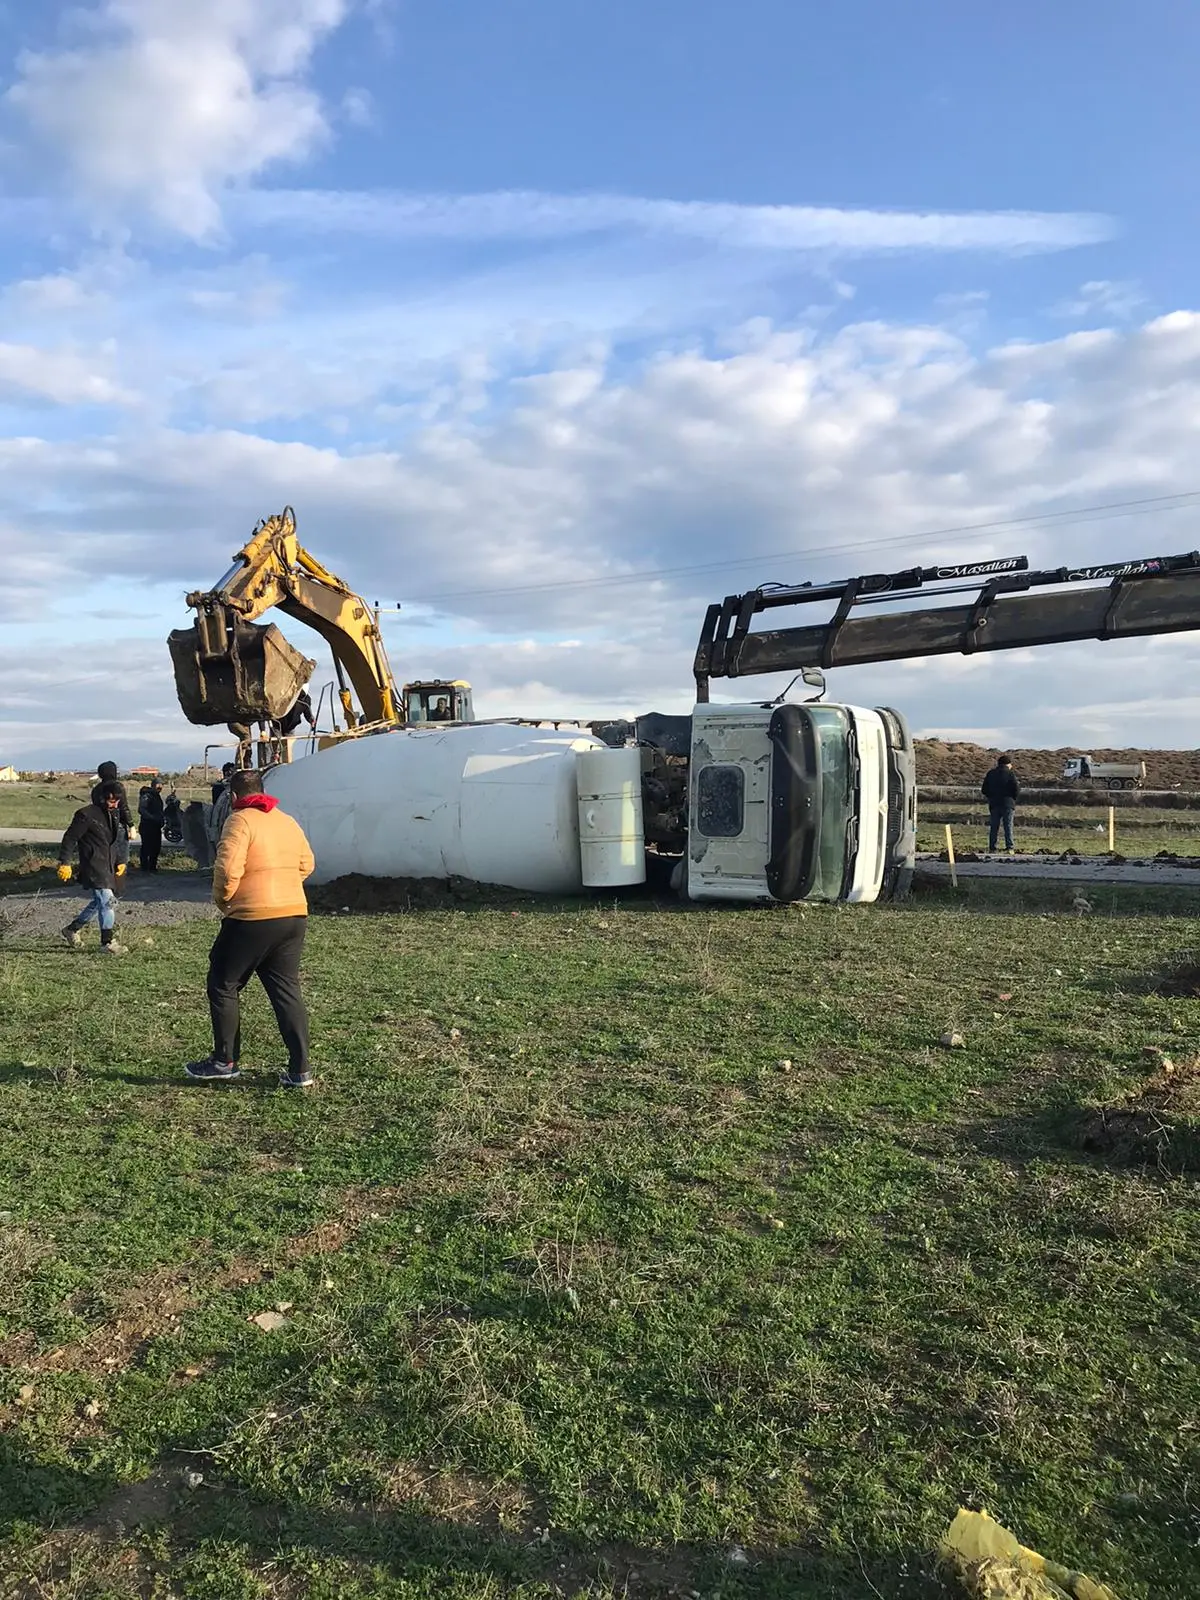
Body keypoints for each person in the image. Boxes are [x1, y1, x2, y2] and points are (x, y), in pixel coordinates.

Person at [185, 768, 316, 1088]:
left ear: (232, 797)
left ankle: (224, 1060)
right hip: (293, 916)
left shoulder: (239, 821)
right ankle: (300, 1070)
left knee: (223, 982)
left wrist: (224, 900)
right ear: (263, 790)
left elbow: (227, 869)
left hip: (251, 917)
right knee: (286, 989)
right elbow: (307, 864)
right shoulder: (287, 820)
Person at [57, 782, 128, 954]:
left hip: (108, 864)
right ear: (102, 798)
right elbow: (70, 838)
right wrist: (64, 862)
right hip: (93, 864)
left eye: (117, 800)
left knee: (100, 902)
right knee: (108, 902)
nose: (115, 804)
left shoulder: (114, 813)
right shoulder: (85, 815)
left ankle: (72, 929)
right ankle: (107, 943)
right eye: (111, 800)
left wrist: (120, 860)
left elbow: (113, 841)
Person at [93, 760, 134, 871]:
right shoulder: (117, 787)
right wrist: (131, 825)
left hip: (100, 825)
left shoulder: (96, 789)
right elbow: (124, 807)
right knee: (120, 860)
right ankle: (118, 882)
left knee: (105, 856)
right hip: (118, 825)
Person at [981, 754, 1021, 852]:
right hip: (1008, 804)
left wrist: (991, 797)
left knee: (994, 827)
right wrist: (1013, 799)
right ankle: (1009, 847)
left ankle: (992, 847)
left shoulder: (991, 773)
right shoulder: (1010, 774)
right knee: (1008, 826)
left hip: (994, 803)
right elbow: (1016, 789)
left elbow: (984, 789)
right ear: (1008, 764)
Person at [138, 778, 165, 872]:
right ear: (153, 785)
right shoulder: (147, 795)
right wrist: (152, 818)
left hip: (156, 826)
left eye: (161, 785)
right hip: (147, 825)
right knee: (146, 847)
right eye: (158, 785)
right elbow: (141, 809)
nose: (160, 787)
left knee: (156, 847)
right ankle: (144, 868)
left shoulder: (157, 796)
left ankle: (153, 867)